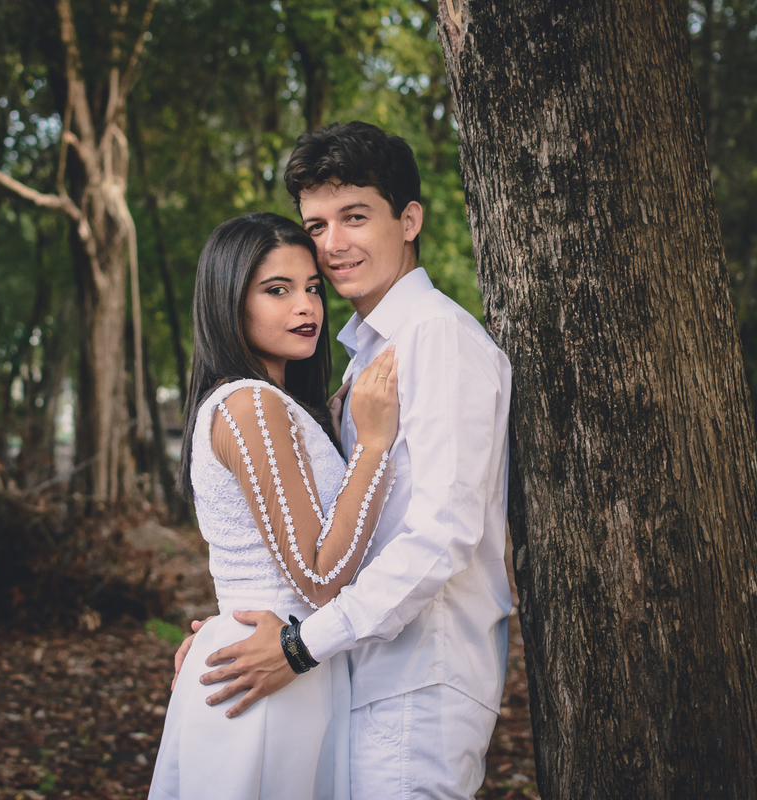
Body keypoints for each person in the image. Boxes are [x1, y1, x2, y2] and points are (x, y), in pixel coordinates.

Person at [173, 122, 513, 798]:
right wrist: (235, 628)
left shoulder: (437, 338)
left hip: (416, 682)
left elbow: (442, 534)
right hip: (351, 674)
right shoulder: (364, 358)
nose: (332, 245)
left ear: (408, 220)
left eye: (354, 217)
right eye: (317, 224)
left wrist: (298, 644)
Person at [147, 212, 401, 800]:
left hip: (279, 663)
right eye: (277, 290)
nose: (306, 306)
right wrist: (373, 445)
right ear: (229, 302)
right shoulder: (250, 405)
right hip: (269, 674)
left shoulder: (268, 405)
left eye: (312, 288)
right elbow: (319, 577)